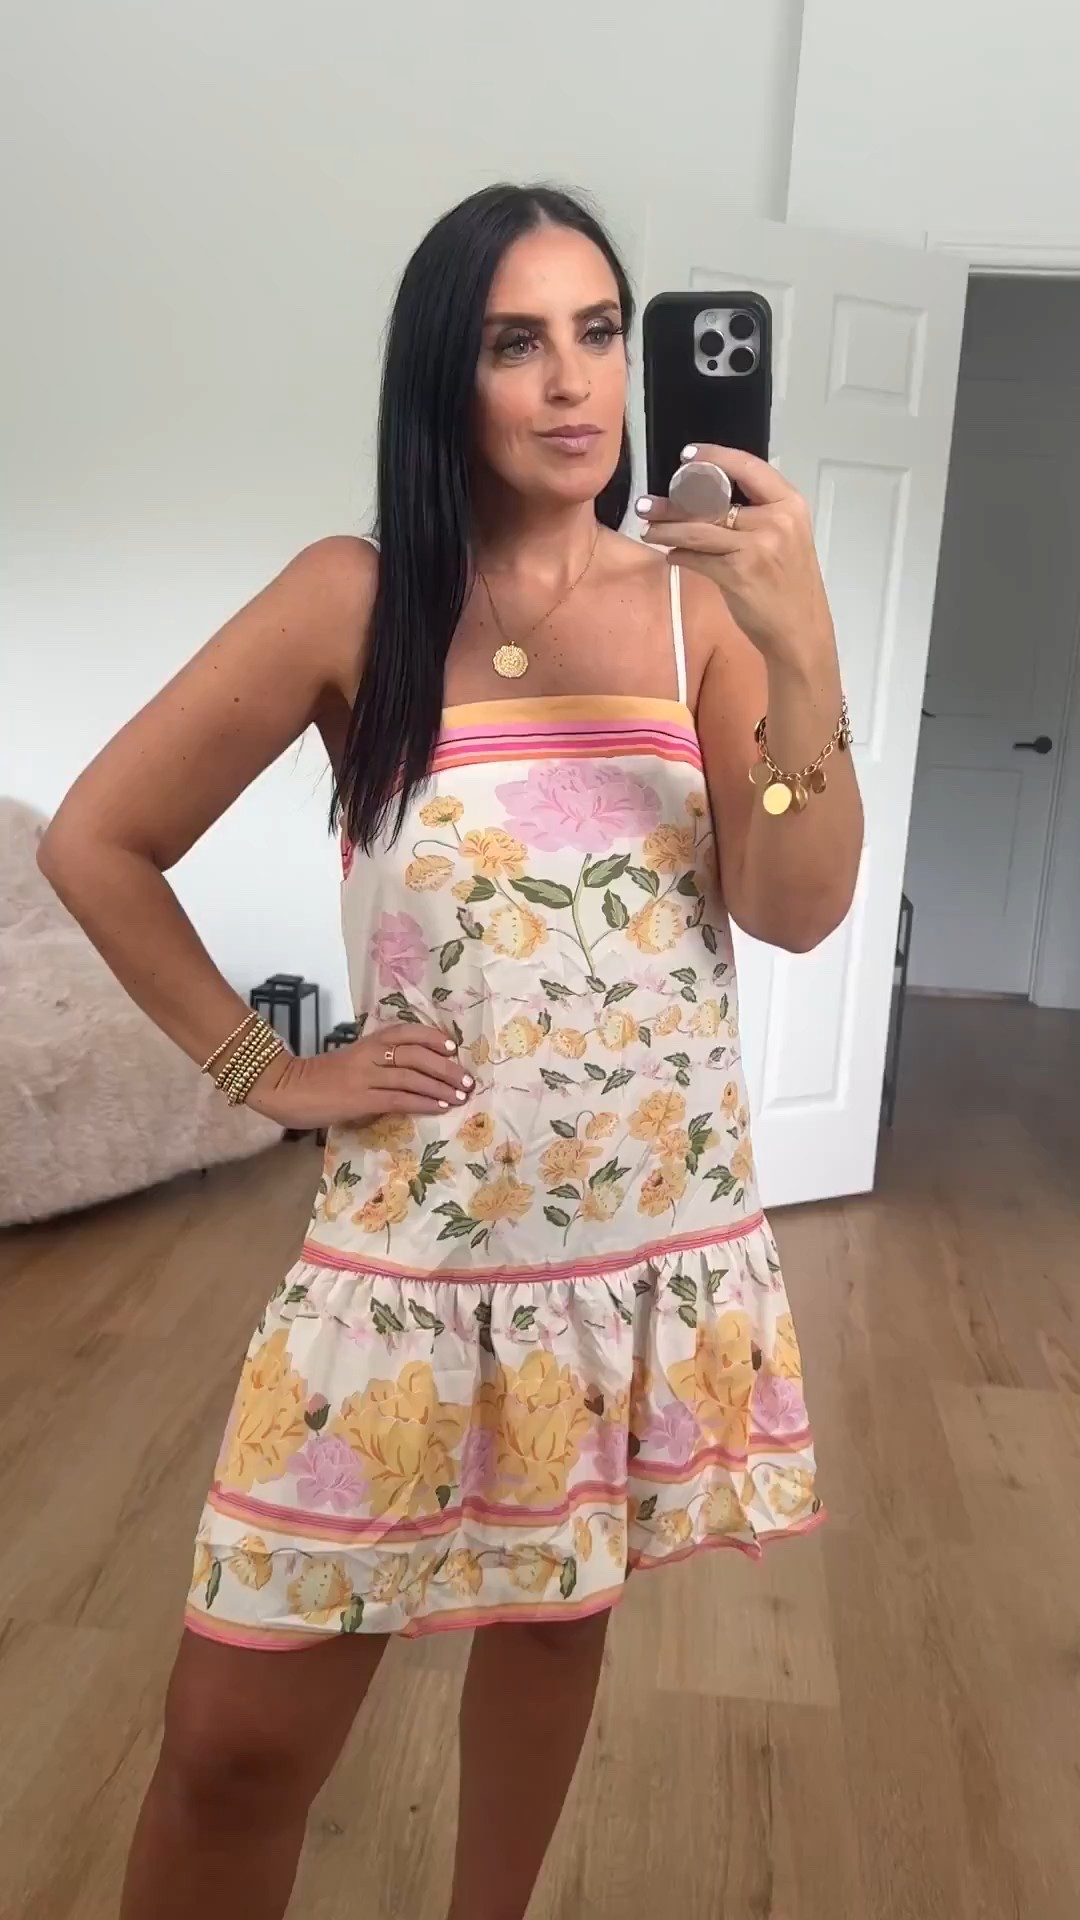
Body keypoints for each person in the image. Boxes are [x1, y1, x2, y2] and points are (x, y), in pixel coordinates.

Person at [39, 183, 863, 1920]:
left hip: (635, 1252)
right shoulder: (355, 598)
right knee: (231, 1744)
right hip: (409, 1265)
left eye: (597, 332)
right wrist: (266, 1075)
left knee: (553, 1624)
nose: (573, 382)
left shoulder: (699, 614)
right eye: (515, 342)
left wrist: (801, 650)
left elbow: (796, 905)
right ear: (445, 376)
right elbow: (98, 841)